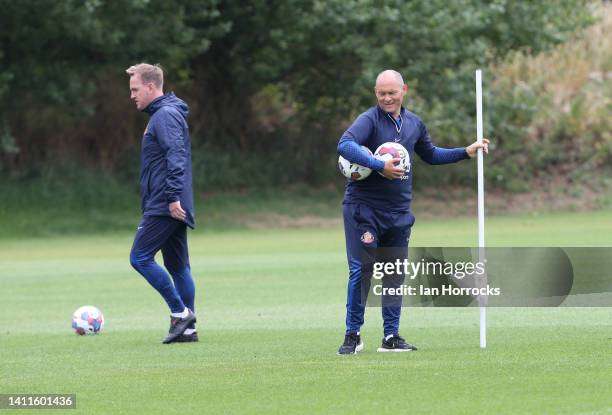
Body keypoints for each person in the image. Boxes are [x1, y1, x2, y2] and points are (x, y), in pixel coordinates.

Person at [336, 69, 489, 354]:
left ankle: (391, 337)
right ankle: (353, 334)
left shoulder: (414, 124)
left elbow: (430, 155)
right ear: (375, 93)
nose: (386, 98)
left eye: (392, 92)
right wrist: (379, 164)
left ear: (403, 90)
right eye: (381, 93)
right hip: (363, 210)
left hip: (399, 213)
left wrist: (465, 152)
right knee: (362, 270)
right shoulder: (369, 120)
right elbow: (344, 145)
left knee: (394, 273)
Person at [126, 63, 198, 344]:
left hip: (165, 202)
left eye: (135, 89)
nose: (132, 95)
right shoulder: (163, 113)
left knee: (140, 257)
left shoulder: (165, 115)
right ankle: (188, 329)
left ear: (151, 87)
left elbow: (175, 155)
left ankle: (180, 314)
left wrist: (171, 197)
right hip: (170, 200)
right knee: (178, 266)